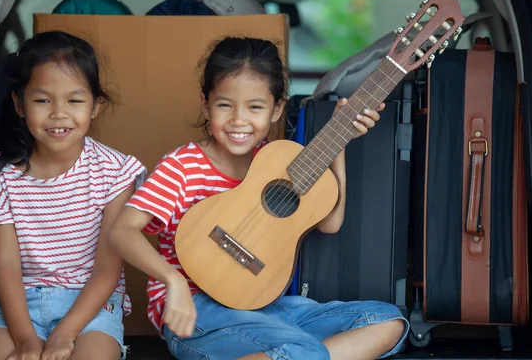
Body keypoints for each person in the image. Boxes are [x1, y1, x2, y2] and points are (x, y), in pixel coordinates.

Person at [109, 36, 408, 360]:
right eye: (225, 105)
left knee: (387, 321)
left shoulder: (275, 159)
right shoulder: (183, 166)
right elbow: (122, 231)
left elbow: (330, 223)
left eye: (255, 107)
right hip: (195, 313)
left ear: (277, 108)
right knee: (304, 349)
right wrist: (173, 282)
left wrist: (341, 140)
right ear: (205, 104)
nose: (239, 120)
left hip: (263, 305)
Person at [0, 31, 146, 360]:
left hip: (90, 304)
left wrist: (65, 334)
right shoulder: (0, 171)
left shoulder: (116, 171)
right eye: (42, 100)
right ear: (18, 104)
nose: (58, 113)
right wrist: (25, 339)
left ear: (95, 106)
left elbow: (107, 269)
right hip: (17, 303)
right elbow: (7, 264)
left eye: (74, 100)